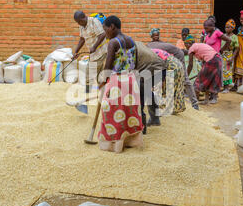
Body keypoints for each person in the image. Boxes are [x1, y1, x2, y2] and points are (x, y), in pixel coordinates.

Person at [98, 15, 143, 153]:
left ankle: (115, 145)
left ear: (112, 27)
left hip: (117, 81)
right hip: (130, 80)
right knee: (128, 112)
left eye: (106, 30)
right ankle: (131, 141)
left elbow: (108, 66)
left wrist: (102, 82)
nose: (106, 34)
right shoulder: (131, 40)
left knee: (111, 112)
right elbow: (135, 63)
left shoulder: (113, 42)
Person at [147, 40, 198, 110]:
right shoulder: (149, 48)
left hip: (177, 55)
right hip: (167, 58)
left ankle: (194, 104)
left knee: (185, 80)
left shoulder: (149, 52)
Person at [73, 11, 108, 88]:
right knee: (98, 76)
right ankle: (98, 93)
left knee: (89, 77)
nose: (78, 24)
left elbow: (102, 34)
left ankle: (89, 93)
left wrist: (94, 46)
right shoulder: (82, 26)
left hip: (100, 52)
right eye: (77, 22)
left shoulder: (94, 22)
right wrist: (76, 52)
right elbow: (82, 39)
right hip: (93, 55)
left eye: (79, 22)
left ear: (83, 18)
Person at [150, 48, 186, 115]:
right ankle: (175, 107)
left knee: (170, 88)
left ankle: (169, 108)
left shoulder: (151, 55)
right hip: (176, 64)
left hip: (172, 66)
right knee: (175, 87)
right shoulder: (151, 52)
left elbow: (159, 70)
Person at [221, 19, 239, 93]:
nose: (226, 29)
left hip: (229, 55)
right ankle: (222, 86)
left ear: (232, 28)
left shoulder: (234, 37)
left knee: (227, 71)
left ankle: (226, 88)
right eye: (226, 27)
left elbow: (237, 48)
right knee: (221, 71)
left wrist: (232, 58)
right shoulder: (223, 35)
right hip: (222, 55)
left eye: (228, 27)